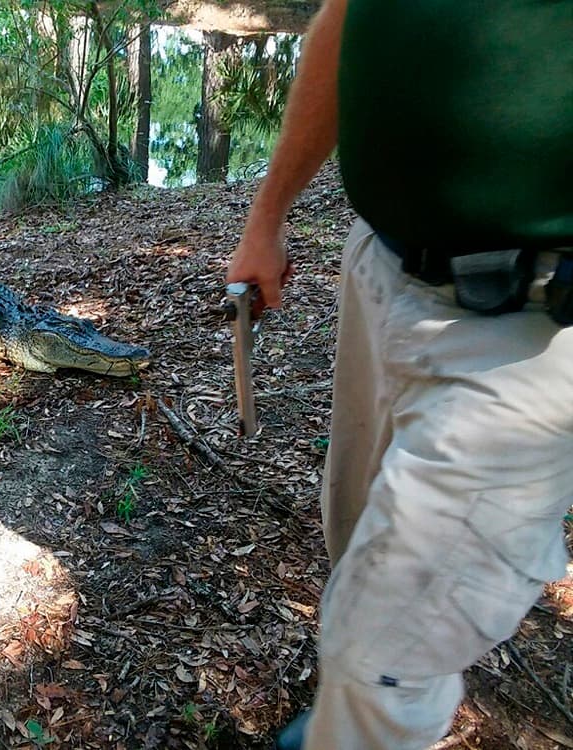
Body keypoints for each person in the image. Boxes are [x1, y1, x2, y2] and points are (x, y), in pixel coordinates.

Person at [226, 0, 573, 748]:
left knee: (386, 651)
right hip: (381, 262)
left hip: (529, 330)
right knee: (354, 527)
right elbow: (351, 16)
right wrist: (268, 213)